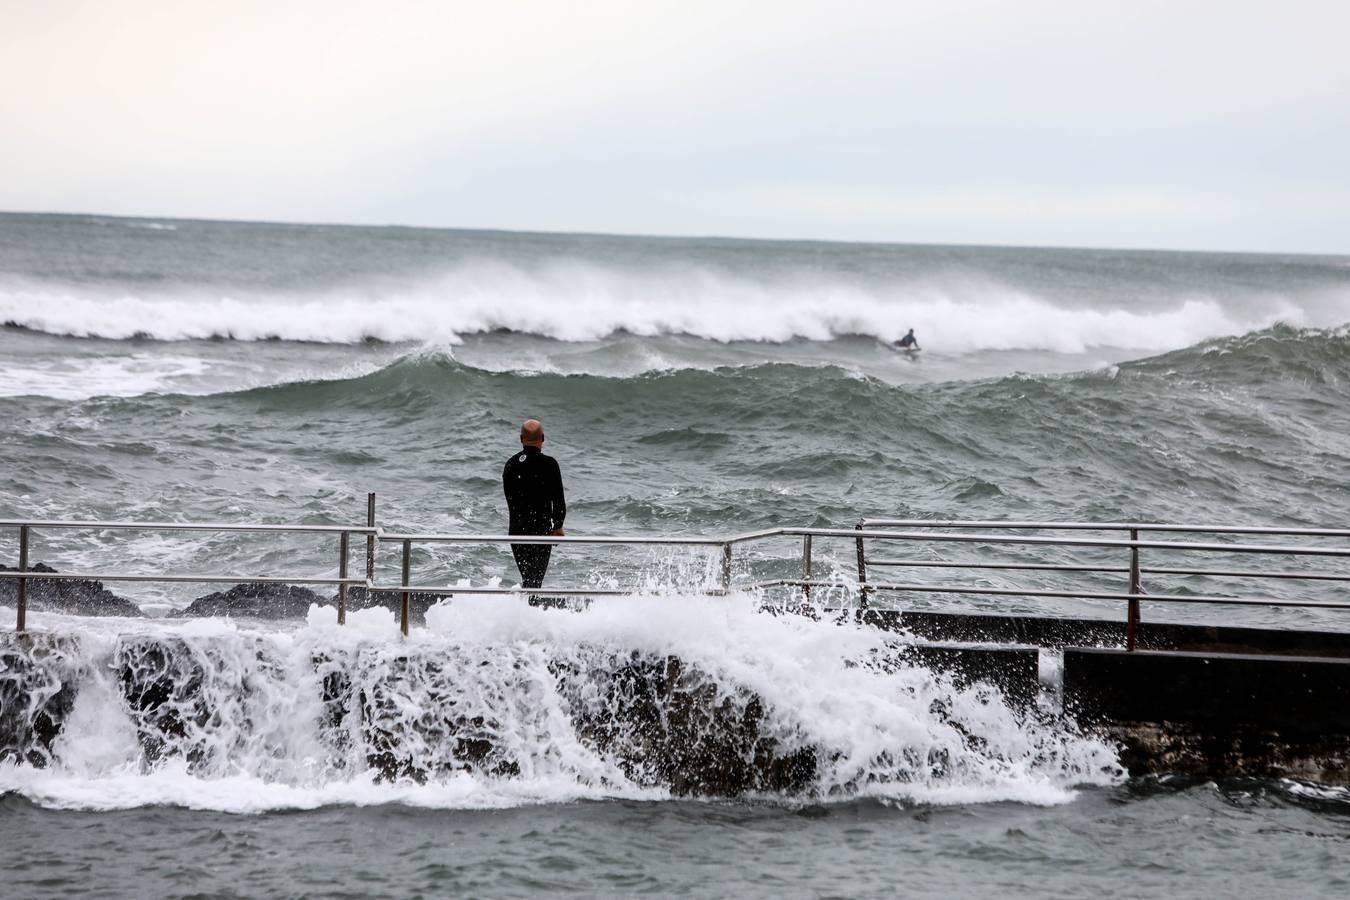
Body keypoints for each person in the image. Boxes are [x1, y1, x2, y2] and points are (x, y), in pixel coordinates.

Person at [502, 418, 566, 592]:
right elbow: (558, 499)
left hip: (516, 532)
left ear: (521, 438)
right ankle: (530, 612)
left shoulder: (510, 464)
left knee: (529, 578)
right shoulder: (550, 464)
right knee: (535, 580)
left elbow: (511, 499)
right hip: (540, 532)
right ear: (542, 438)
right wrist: (558, 526)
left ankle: (526, 611)